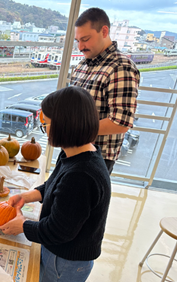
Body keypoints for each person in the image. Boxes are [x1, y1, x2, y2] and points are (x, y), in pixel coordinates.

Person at [0, 86, 111, 282]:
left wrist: (22, 226)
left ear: (63, 125)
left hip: (67, 260)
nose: (44, 129)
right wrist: (27, 196)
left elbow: (59, 231)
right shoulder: (74, 152)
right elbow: (54, 185)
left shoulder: (81, 176)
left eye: (45, 124)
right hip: (59, 251)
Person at [71, 7, 140, 174]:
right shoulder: (82, 65)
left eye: (85, 39)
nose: (80, 47)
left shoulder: (121, 67)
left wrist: (75, 130)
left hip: (97, 156)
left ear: (104, 31)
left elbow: (121, 122)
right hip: (72, 147)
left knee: (82, 200)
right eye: (77, 40)